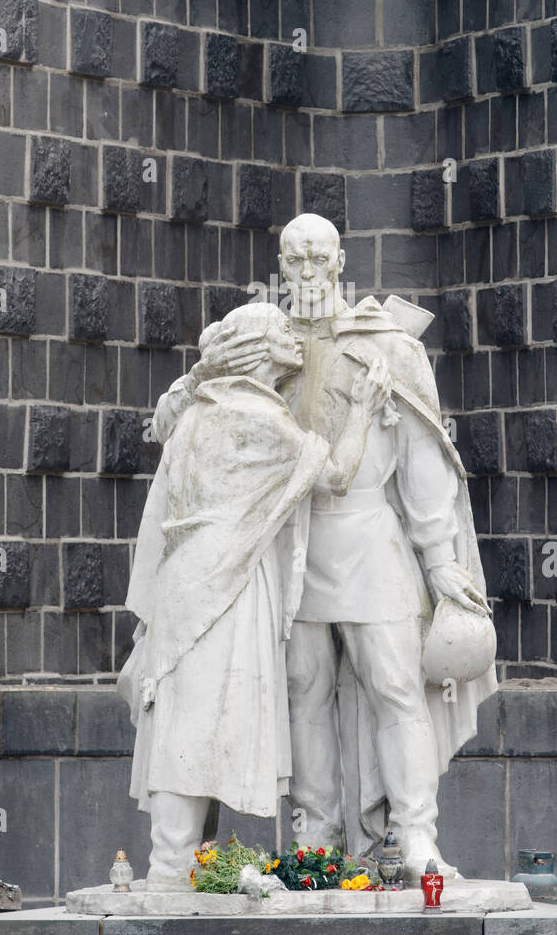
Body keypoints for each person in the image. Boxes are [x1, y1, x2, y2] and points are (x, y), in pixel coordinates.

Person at [152, 215, 496, 884]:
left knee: (395, 686)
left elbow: (424, 458)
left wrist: (439, 556)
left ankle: (416, 832)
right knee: (303, 690)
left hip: (369, 535)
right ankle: (317, 836)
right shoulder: (266, 343)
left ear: (340, 264)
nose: (308, 275)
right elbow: (201, 409)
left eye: (319, 261)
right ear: (283, 266)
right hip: (294, 540)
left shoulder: (385, 344)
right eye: (296, 262)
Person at [119, 300, 391, 889]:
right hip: (229, 584)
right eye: (282, 330)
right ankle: (174, 865)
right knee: (203, 715)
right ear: (258, 349)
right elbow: (337, 475)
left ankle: (179, 858)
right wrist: (363, 409)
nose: (294, 336)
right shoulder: (258, 419)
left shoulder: (198, 412)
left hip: (188, 582)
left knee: (187, 710)